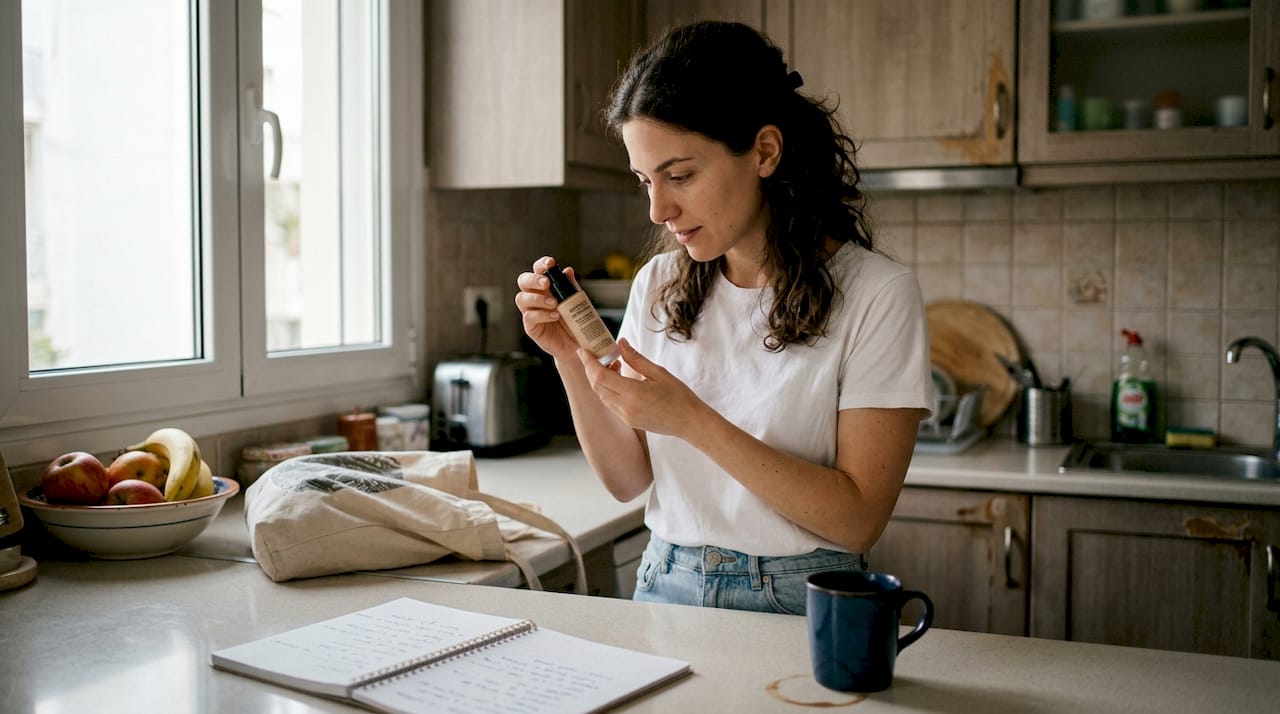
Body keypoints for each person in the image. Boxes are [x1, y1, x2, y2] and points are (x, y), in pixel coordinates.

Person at [514, 20, 931, 615]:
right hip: (663, 582)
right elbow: (627, 480)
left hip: (801, 595)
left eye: (680, 175)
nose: (659, 209)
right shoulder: (659, 284)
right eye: (645, 180)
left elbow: (858, 519)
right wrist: (568, 356)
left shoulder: (877, 294)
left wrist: (690, 420)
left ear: (764, 151)